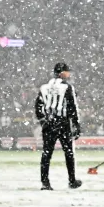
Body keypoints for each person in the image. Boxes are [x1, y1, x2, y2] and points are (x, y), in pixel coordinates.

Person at [35, 61, 82, 190]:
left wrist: (43, 121)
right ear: (62, 73)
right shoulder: (67, 87)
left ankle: (45, 182)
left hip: (49, 123)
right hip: (63, 122)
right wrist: (76, 125)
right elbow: (73, 107)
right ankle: (71, 180)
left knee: (46, 153)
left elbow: (38, 106)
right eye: (67, 71)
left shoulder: (44, 87)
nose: (68, 74)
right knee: (68, 152)